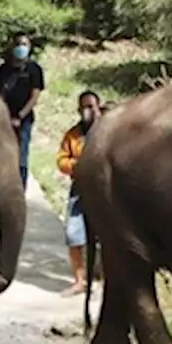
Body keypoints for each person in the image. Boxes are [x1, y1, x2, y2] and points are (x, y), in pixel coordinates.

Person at [56, 90, 100, 296]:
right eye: (84, 107)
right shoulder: (73, 135)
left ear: (99, 108)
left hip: (104, 190)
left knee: (109, 239)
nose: (87, 111)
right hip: (80, 189)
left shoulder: (106, 132)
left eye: (91, 107)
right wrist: (76, 165)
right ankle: (80, 280)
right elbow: (61, 160)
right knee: (73, 236)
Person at [0, 33, 45, 186]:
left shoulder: (34, 69)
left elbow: (34, 96)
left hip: (23, 120)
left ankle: (20, 188)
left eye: (25, 44)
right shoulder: (3, 69)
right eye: (19, 44)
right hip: (3, 119)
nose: (21, 47)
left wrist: (20, 116)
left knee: (21, 157)